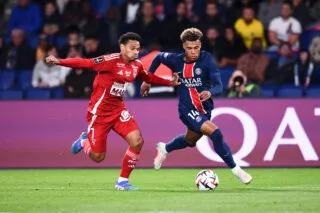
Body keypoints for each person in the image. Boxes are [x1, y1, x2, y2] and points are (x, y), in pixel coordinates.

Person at [46, 32, 180, 190]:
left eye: (138, 49)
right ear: (122, 47)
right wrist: (59, 61)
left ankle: (122, 182)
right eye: (132, 48)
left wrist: (169, 82)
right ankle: (84, 141)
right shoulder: (109, 61)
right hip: (99, 114)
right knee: (98, 157)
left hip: (118, 111)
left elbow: (147, 76)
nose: (136, 52)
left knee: (137, 141)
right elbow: (85, 63)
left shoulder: (136, 66)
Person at [140, 28, 253, 184]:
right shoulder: (175, 60)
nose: (193, 52)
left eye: (196, 48)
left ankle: (164, 148)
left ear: (200, 45)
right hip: (186, 109)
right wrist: (147, 80)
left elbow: (219, 86)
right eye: (189, 48)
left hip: (204, 110)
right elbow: (158, 57)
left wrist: (210, 92)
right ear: (183, 47)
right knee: (216, 134)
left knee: (190, 140)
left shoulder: (207, 60)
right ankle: (237, 170)